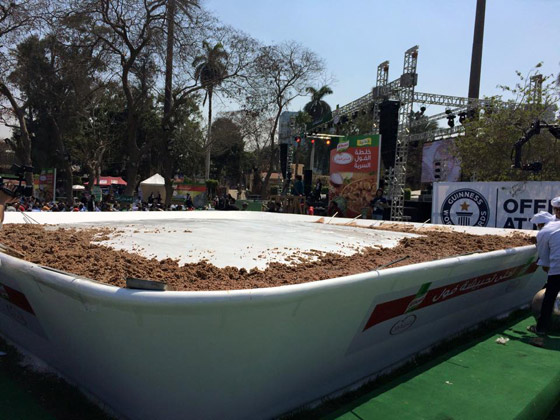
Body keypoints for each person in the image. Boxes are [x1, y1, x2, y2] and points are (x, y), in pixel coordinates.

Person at [528, 197, 560, 338]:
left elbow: (544, 257)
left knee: (549, 299)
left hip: (557, 270)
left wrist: (545, 266)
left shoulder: (545, 232)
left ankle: (541, 328)